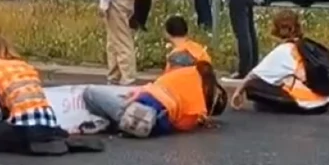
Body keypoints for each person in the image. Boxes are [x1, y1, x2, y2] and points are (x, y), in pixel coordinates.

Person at [0, 35, 90, 155]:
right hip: (50, 124)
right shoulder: (25, 66)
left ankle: (31, 144)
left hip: (26, 128)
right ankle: (57, 137)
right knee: (41, 131)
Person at [82, 62, 226, 138]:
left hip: (144, 107)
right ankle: (122, 123)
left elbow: (155, 86)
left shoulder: (189, 73)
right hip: (158, 123)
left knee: (89, 93)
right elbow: (180, 125)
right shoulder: (199, 110)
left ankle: (120, 120)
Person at [230, 10, 329, 114]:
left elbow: (254, 75)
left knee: (252, 84)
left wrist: (238, 92)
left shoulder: (283, 50)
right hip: (324, 102)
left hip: (308, 104)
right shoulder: (305, 46)